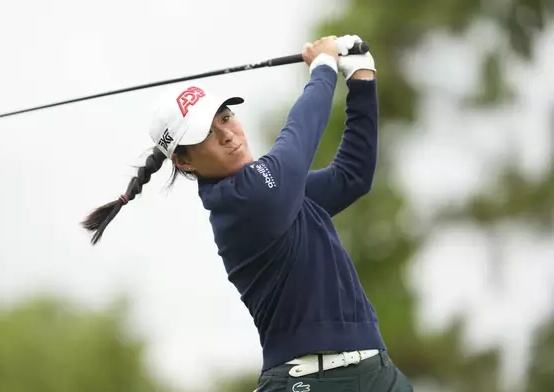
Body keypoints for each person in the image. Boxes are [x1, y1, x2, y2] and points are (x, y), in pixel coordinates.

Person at [82, 34, 414, 391]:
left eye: (226, 117)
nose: (227, 134)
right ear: (183, 161)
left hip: (378, 373)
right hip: (307, 382)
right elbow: (297, 138)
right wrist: (322, 67)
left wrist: (361, 78)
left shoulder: (278, 193)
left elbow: (352, 177)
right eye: (207, 133)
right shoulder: (242, 201)